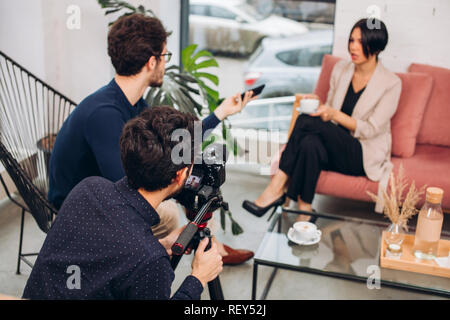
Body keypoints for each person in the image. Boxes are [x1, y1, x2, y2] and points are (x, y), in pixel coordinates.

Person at [48, 13, 254, 264]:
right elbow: (131, 190)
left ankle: (204, 245)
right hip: (78, 216)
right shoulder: (105, 115)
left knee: (186, 185)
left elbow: (175, 143)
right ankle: (144, 265)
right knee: (167, 209)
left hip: (103, 195)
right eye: (165, 57)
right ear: (151, 62)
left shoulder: (128, 101)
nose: (165, 64)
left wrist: (221, 113)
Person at [23, 107, 223, 300]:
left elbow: (96, 262)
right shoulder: (149, 261)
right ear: (179, 176)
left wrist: (160, 246)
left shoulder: (88, 188)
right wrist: (198, 278)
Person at [243, 18, 402, 221]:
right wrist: (320, 105)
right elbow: (330, 111)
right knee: (310, 142)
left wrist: (333, 114)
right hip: (333, 147)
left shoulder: (391, 83)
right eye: (351, 40)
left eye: (361, 42)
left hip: (362, 153)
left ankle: (277, 186)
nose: (353, 46)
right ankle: (305, 211)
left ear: (377, 47)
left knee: (306, 121)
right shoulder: (341, 69)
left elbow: (370, 129)